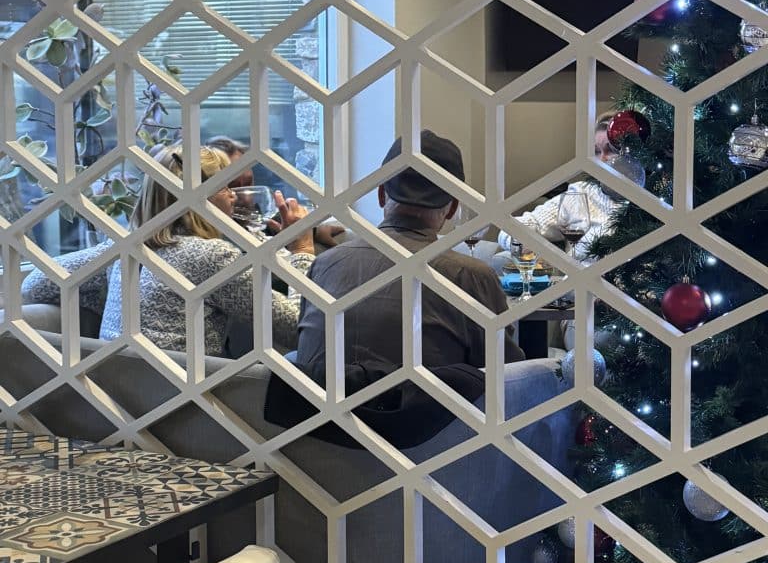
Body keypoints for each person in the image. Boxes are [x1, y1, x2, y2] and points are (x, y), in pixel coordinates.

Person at [21, 145, 316, 356]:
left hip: (115, 397)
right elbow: (299, 330)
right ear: (199, 196)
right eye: (225, 186)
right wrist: (302, 249)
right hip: (190, 399)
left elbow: (36, 282)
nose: (232, 196)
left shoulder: (123, 249)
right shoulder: (212, 256)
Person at [296, 130, 524, 374]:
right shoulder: (470, 277)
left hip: (325, 398)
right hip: (425, 399)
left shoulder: (323, 265)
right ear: (452, 208)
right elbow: (505, 369)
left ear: (381, 194)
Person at [497, 111, 620, 262]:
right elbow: (511, 229)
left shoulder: (647, 199)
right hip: (580, 276)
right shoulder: (581, 193)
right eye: (596, 152)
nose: (602, 159)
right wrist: (521, 244)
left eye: (612, 150)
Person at [206, 133, 345, 247]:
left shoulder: (264, 220)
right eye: (233, 186)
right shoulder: (213, 244)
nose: (247, 199)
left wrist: (315, 231)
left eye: (248, 182)